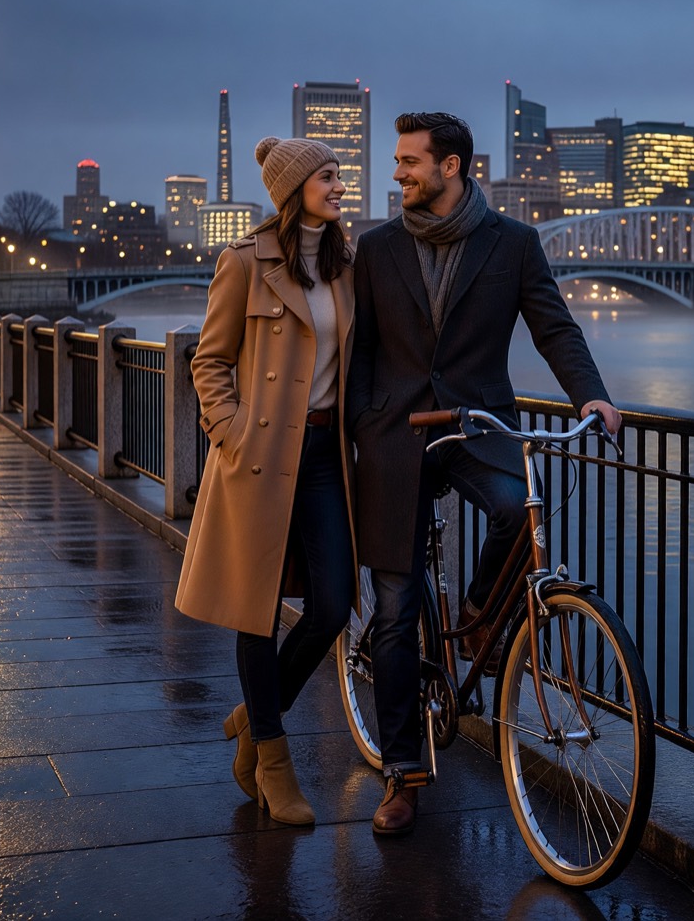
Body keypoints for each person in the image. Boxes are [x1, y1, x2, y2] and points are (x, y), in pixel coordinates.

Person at [348, 111, 622, 836]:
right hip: (396, 438)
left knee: (515, 509)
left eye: (410, 162)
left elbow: (554, 326)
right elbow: (360, 351)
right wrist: (360, 432)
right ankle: (403, 774)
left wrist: (589, 393)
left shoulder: (514, 244)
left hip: (475, 428)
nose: (398, 173)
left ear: (453, 167)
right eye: (398, 160)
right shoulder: (374, 249)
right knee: (398, 612)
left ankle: (475, 618)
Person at [174, 136, 356, 827]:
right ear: (294, 188)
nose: (340, 185)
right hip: (259, 460)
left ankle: (256, 714)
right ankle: (274, 764)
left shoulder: (347, 262)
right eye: (328, 176)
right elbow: (209, 359)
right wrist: (231, 431)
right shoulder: (245, 262)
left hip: (323, 458)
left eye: (340, 174)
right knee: (255, 608)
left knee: (334, 606)